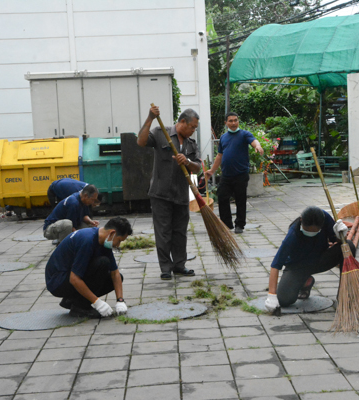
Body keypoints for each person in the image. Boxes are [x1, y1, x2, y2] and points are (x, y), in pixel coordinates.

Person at [137, 105, 201, 280]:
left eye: (195, 128)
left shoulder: (191, 144)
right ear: (182, 122)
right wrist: (150, 118)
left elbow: (198, 168)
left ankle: (179, 265)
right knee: (163, 232)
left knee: (180, 232)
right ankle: (165, 267)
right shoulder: (160, 133)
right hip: (161, 194)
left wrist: (187, 161)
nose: (193, 131)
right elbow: (141, 142)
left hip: (181, 194)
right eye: (192, 127)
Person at [264, 206, 351, 312]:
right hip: (298, 266)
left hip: (320, 260)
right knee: (284, 300)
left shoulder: (325, 218)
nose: (311, 234)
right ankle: (305, 282)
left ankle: (344, 292)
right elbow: (275, 264)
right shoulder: (293, 234)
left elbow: (337, 241)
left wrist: (341, 235)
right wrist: (271, 295)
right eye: (307, 231)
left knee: (348, 246)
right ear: (301, 221)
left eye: (315, 231)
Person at [45, 217, 133, 318]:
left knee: (116, 278)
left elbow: (115, 273)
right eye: (119, 241)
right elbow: (74, 279)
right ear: (112, 233)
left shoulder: (103, 240)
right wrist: (98, 303)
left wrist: (120, 300)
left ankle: (72, 300)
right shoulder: (87, 240)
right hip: (57, 282)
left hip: (68, 276)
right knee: (102, 263)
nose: (118, 245)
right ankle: (80, 307)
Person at [205, 112, 264, 234]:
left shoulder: (244, 134)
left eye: (235, 120)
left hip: (241, 174)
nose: (233, 123)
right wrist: (211, 170)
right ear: (226, 123)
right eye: (230, 121)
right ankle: (226, 225)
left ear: (238, 121)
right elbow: (220, 155)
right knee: (222, 197)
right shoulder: (223, 138)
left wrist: (257, 146)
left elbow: (254, 141)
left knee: (240, 200)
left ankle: (240, 225)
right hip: (226, 175)